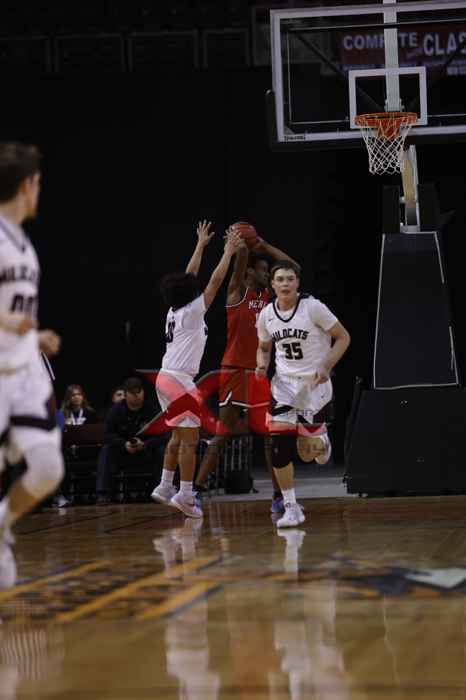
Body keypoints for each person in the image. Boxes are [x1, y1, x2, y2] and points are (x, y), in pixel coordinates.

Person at [194, 233, 298, 513]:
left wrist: (265, 245)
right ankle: (196, 491)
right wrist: (241, 246)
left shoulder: (270, 298)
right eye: (262, 270)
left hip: (259, 373)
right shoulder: (237, 292)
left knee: (269, 438)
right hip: (234, 370)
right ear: (250, 272)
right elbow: (239, 268)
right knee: (223, 433)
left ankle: (278, 497)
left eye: (268, 271)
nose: (267, 275)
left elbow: (292, 268)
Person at [0, 141, 63, 586]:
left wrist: (32, 335)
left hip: (22, 370)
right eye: (38, 183)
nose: (39, 191)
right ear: (26, 185)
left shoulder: (23, 242)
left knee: (48, 468)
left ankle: (3, 522)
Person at [151, 220, 243, 518]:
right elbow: (214, 282)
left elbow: (189, 276)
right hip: (179, 380)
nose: (195, 283)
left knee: (178, 437)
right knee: (189, 442)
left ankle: (165, 485)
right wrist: (227, 253)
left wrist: (200, 246)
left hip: (165, 378)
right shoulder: (191, 312)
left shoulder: (174, 309)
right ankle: (186, 494)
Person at [256, 260, 350, 528]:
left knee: (310, 454)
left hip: (313, 384)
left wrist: (326, 365)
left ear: (297, 283)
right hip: (283, 385)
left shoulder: (313, 307)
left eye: (290, 279)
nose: (285, 284)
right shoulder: (266, 314)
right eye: (280, 279)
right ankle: (291, 507)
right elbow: (264, 347)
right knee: (278, 448)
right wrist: (261, 364)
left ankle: (323, 443)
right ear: (272, 284)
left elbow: (343, 337)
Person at [95, 376, 162, 504]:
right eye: (132, 393)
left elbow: (161, 435)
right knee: (106, 450)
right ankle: (102, 493)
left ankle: (159, 491)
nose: (137, 396)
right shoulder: (116, 410)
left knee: (161, 449)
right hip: (123, 451)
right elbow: (108, 435)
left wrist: (145, 444)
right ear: (125, 395)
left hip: (145, 450)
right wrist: (124, 444)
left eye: (139, 392)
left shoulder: (151, 409)